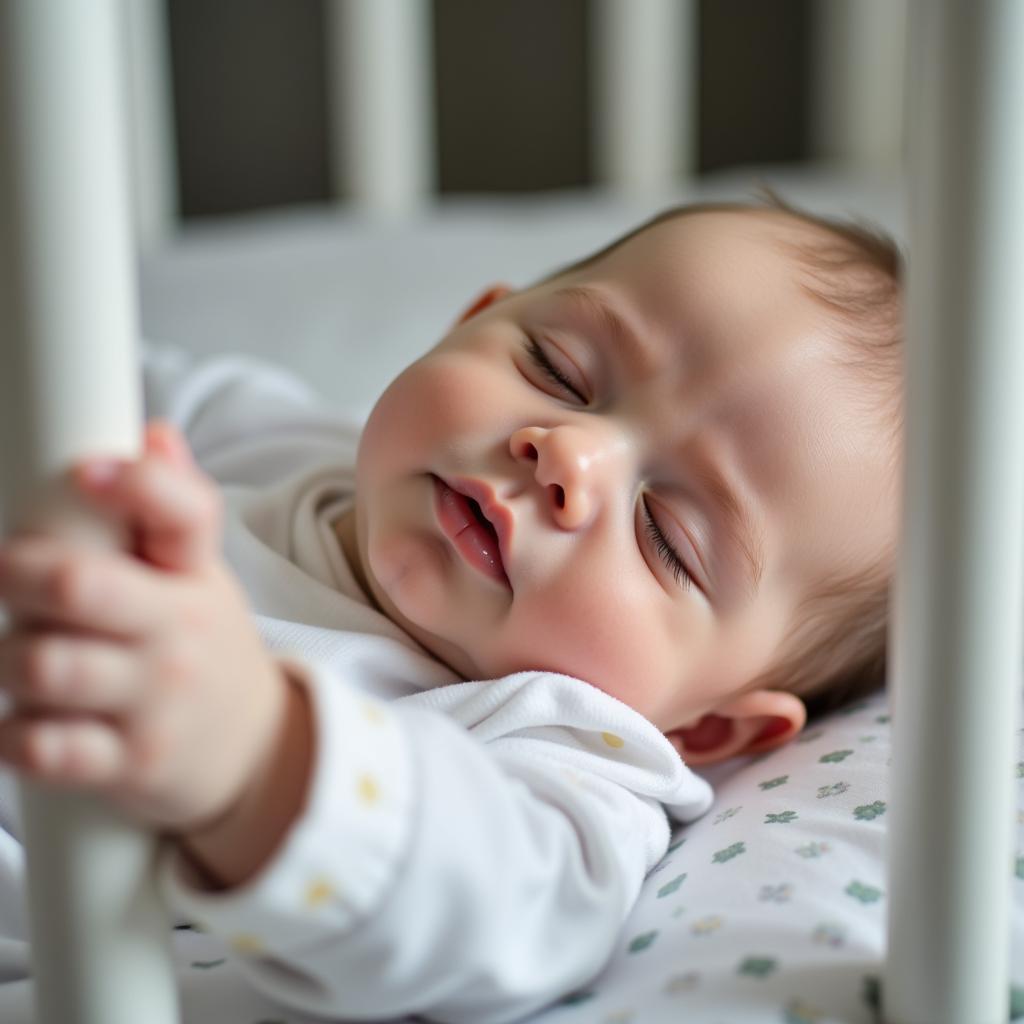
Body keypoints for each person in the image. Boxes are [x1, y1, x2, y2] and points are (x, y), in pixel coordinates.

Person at [0, 189, 903, 1022]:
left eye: (665, 534)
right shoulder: (260, 435)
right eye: (556, 369)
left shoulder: (572, 758)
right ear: (473, 321)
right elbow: (57, 384)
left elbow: (503, 904)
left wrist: (255, 750)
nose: (567, 455)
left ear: (707, 730)